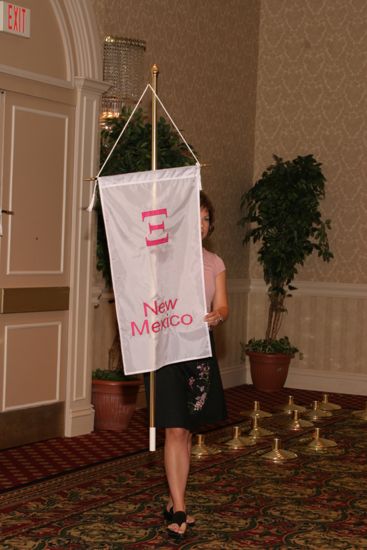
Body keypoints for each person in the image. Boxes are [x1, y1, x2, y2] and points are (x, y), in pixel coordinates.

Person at [144, 191, 229, 538]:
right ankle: (178, 508)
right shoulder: (160, 259)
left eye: (206, 219)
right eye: (195, 218)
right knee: (174, 428)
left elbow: (223, 306)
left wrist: (217, 317)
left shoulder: (215, 263)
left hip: (198, 351)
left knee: (187, 431)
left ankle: (176, 497)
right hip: (165, 352)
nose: (202, 225)